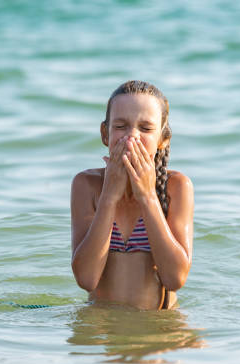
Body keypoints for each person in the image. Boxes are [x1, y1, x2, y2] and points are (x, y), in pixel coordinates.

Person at [70, 80, 194, 310]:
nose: (131, 137)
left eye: (145, 129)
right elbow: (86, 279)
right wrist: (109, 196)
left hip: (159, 331)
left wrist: (147, 196)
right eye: (120, 126)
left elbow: (175, 279)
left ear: (162, 139)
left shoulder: (176, 186)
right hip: (103, 329)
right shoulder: (87, 185)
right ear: (104, 134)